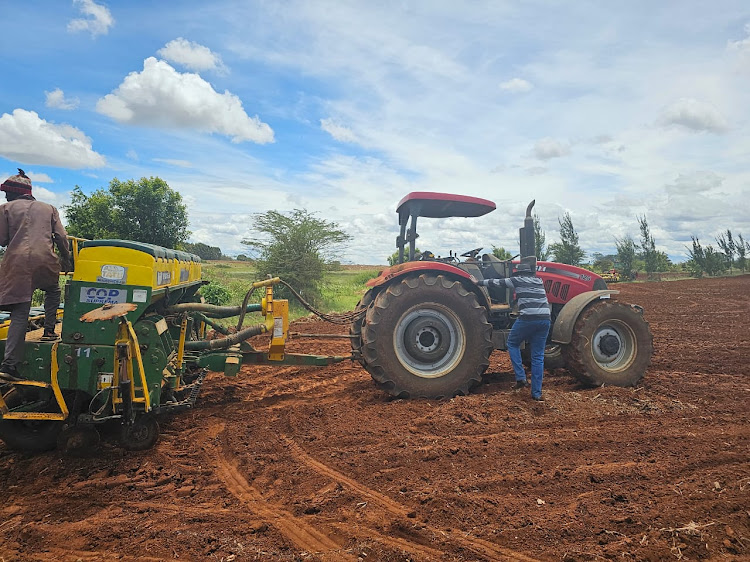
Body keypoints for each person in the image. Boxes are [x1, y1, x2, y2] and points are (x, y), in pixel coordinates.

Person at [0, 169, 70, 382]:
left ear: (13, 194)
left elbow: (3, 240)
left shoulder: (5, 209)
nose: (4, 197)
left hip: (17, 263)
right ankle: (49, 330)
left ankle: (9, 366)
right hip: (45, 259)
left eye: (6, 193)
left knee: (20, 312)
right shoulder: (49, 208)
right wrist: (66, 258)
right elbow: (61, 236)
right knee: (52, 289)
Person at [479, 262, 551, 401]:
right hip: (545, 319)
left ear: (520, 274)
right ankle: (536, 394)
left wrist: (478, 282)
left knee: (512, 343)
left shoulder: (517, 280)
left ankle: (520, 377)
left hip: (528, 318)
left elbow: (497, 282)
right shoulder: (539, 281)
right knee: (538, 357)